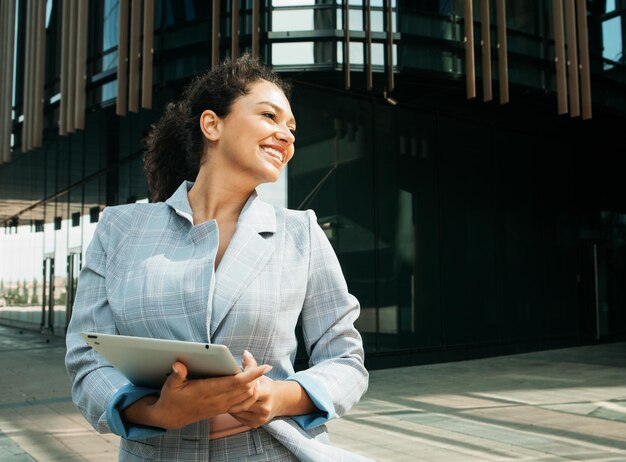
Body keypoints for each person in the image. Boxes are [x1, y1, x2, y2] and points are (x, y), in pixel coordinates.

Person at [65, 54, 370, 461]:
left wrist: (277, 397)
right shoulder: (121, 229)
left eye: (291, 128)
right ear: (212, 124)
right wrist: (155, 412)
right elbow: (87, 355)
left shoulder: (302, 234)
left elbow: (346, 360)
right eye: (269, 116)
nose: (287, 135)